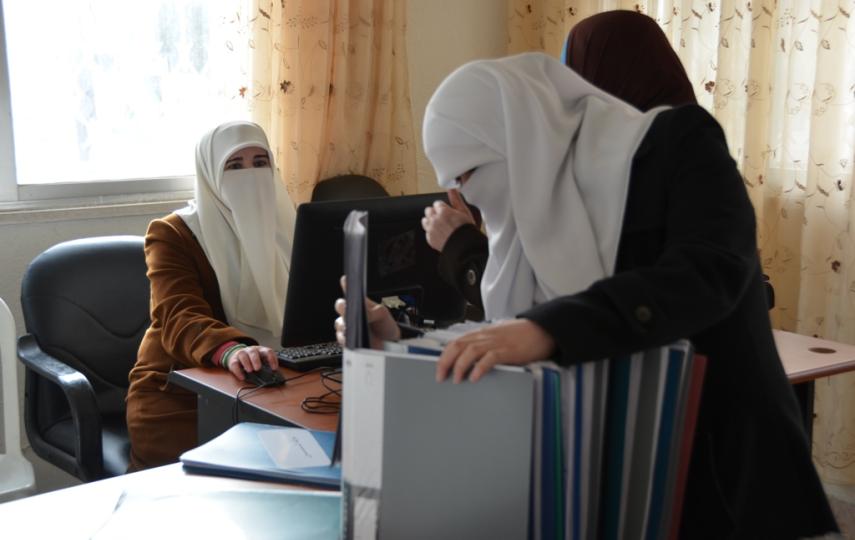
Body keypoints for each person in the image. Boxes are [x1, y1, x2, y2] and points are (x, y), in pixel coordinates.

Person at [337, 53, 838, 537]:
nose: (467, 199)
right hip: (604, 476)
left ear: (518, 135)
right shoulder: (535, 212)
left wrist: (549, 328)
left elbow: (706, 273)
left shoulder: (681, 144)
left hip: (721, 472)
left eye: (467, 176)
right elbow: (508, 342)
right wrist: (396, 344)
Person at [422, 11, 698, 314]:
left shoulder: (643, 180)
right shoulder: (683, 152)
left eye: (576, 71)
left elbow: (570, 312)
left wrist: (462, 248)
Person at [126, 121, 295, 471]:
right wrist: (232, 349)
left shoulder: (290, 227)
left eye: (260, 162)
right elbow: (177, 315)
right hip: (183, 391)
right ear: (210, 173)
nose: (250, 175)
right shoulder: (173, 233)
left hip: (275, 383)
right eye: (234, 166)